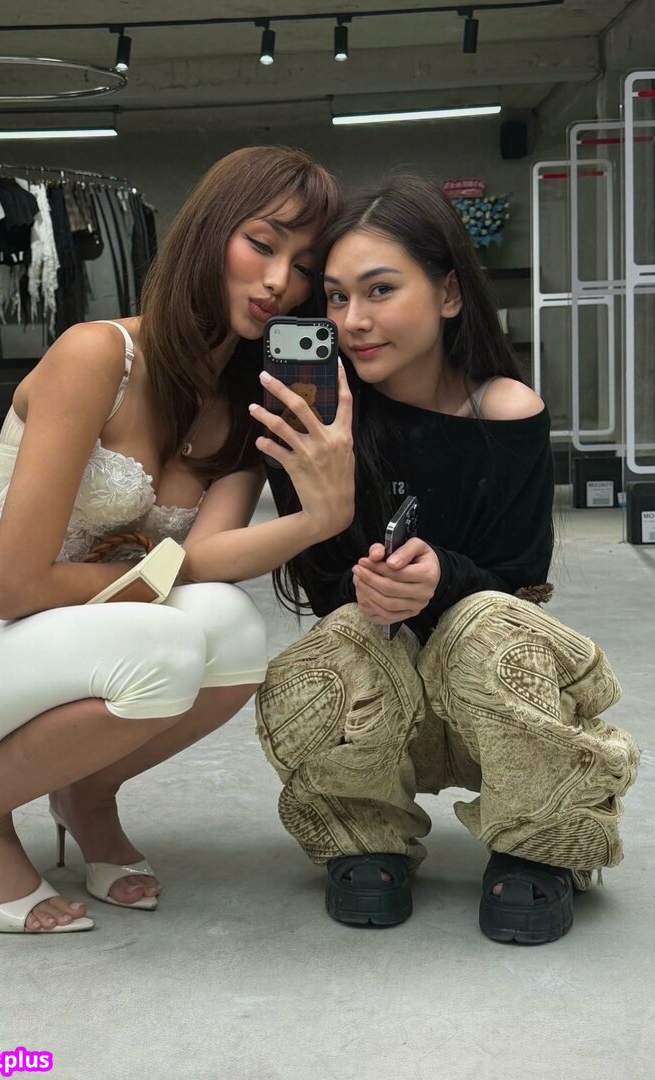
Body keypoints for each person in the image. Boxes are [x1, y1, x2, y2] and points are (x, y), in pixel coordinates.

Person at [0, 146, 354, 935]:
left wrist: (317, 520)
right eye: (261, 244)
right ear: (209, 233)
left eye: (302, 267)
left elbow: (204, 562)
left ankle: (86, 792)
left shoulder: (241, 407)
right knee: (167, 641)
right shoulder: (98, 355)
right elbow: (16, 587)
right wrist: (154, 577)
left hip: (49, 655)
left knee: (233, 630)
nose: (277, 283)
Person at [256, 173, 639, 944]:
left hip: (490, 709)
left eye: (379, 290)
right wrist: (328, 496)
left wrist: (441, 578)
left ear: (449, 294)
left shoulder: (504, 410)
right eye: (335, 297)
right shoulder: (316, 418)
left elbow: (517, 579)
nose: (353, 321)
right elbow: (326, 593)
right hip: (377, 704)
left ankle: (535, 846)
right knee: (338, 642)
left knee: (490, 620)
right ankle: (364, 837)